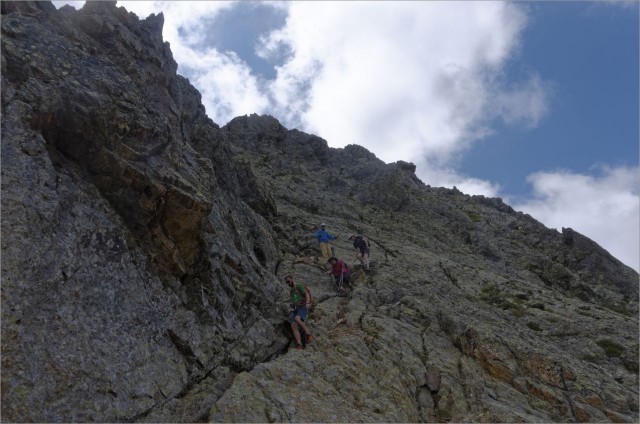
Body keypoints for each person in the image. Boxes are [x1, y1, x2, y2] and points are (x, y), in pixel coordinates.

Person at [284, 275, 314, 350]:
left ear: (292, 279)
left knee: (297, 319)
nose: (288, 283)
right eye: (286, 282)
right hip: (296, 309)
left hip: (303, 307)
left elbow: (306, 294)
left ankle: (308, 334)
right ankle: (299, 344)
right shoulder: (291, 291)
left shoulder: (299, 286)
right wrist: (283, 301)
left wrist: (307, 302)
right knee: (293, 325)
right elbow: (292, 299)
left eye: (288, 281)